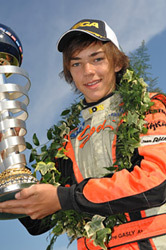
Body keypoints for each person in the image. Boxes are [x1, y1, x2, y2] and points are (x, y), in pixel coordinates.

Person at [0, 18, 166, 250]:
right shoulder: (68, 142)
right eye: (76, 64)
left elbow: (156, 184)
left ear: (117, 63)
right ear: (69, 71)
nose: (87, 71)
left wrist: (64, 198)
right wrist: (11, 157)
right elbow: (39, 221)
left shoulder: (149, 108)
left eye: (97, 59)